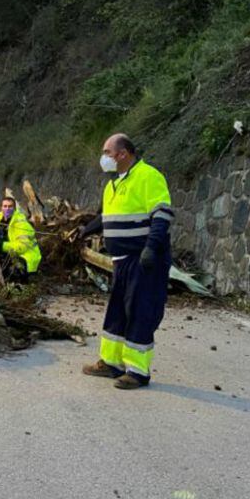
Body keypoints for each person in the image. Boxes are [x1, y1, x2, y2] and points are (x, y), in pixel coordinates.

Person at [81, 133, 173, 389]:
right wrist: (88, 229)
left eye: (107, 153)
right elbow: (108, 216)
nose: (104, 158)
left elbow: (162, 215)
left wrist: (151, 248)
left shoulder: (148, 176)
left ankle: (137, 371)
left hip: (144, 260)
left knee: (140, 312)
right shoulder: (113, 184)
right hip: (121, 260)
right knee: (118, 311)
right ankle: (111, 363)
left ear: (123, 154)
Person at [0, 197, 42, 283]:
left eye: (10, 206)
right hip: (6, 253)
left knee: (13, 270)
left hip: (25, 256)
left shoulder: (21, 223)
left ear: (14, 208)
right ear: (1, 207)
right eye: (5, 206)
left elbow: (22, 247)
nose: (7, 209)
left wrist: (1, 246)